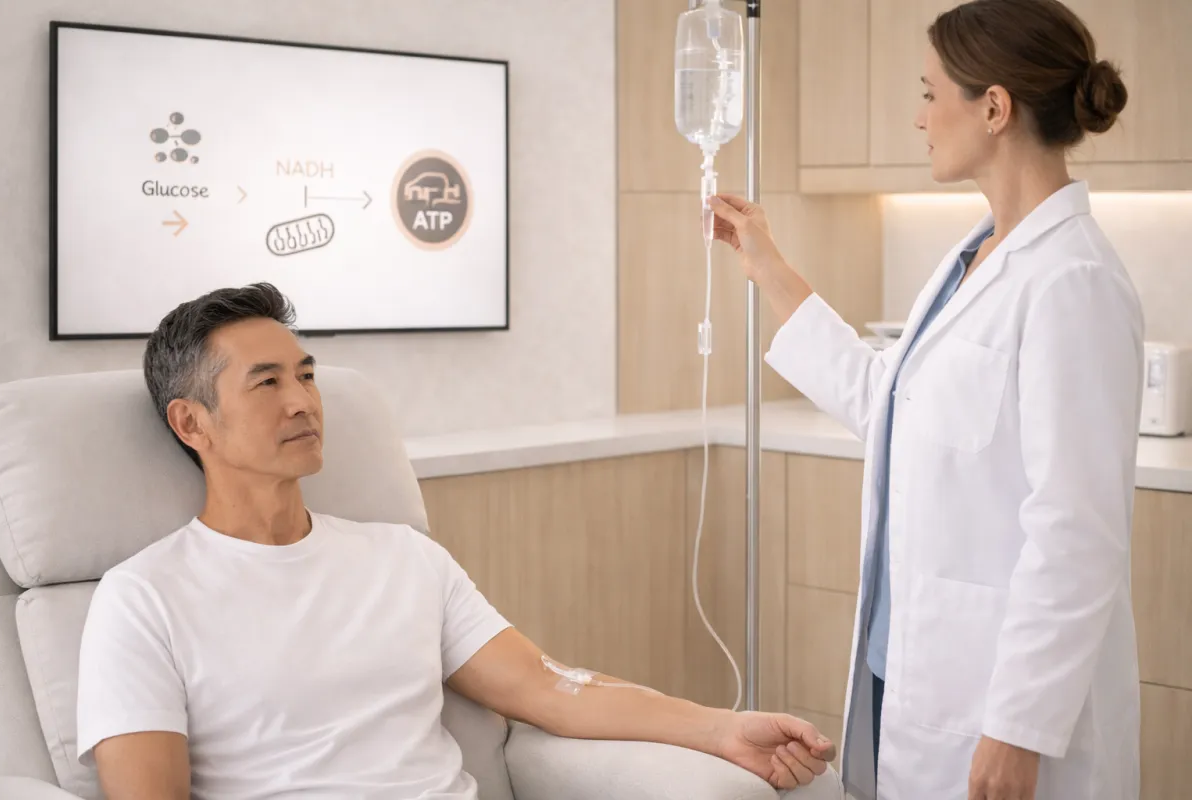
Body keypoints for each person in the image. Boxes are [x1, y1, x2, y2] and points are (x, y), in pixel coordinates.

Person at [75, 283, 838, 799]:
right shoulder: (144, 598)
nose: (303, 401)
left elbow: (549, 687)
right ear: (192, 423)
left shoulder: (402, 559)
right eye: (267, 382)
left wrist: (721, 728)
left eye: (307, 376)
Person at [707, 1, 1141, 799]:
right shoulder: (974, 257)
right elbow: (888, 403)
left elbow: (1077, 531)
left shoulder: (1072, 281)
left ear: (995, 108)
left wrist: (1019, 727)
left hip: (999, 700)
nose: (919, 117)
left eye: (930, 93)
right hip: (911, 662)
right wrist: (766, 264)